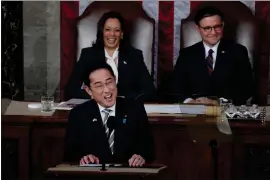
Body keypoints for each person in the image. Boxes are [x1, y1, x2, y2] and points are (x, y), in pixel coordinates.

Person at [63, 61, 155, 166]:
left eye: (109, 82)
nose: (107, 90)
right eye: (99, 85)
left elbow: (149, 150)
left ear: (115, 80)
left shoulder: (134, 109)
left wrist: (141, 156)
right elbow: (69, 155)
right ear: (89, 91)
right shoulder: (78, 114)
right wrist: (83, 158)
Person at [65, 11, 156, 103]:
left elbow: (149, 91)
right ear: (102, 32)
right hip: (96, 107)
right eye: (107, 29)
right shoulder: (88, 55)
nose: (112, 34)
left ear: (121, 34)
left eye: (116, 30)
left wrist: (123, 98)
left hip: (126, 108)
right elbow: (70, 89)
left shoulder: (134, 56)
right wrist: (95, 96)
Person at [170, 6, 253, 105]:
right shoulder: (186, 54)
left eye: (217, 26)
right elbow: (175, 86)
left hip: (226, 113)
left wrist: (218, 102)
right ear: (198, 29)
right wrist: (190, 101)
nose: (213, 32)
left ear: (223, 25)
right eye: (207, 28)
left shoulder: (238, 51)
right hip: (194, 112)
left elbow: (247, 88)